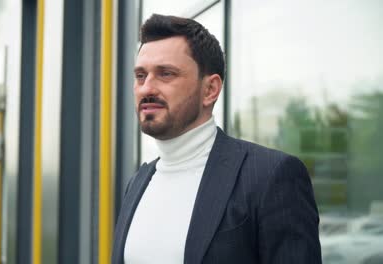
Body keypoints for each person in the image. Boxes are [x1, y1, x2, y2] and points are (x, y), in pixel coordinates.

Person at [112, 14, 322, 264]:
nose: (146, 88)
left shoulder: (270, 176)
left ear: (210, 89)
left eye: (166, 74)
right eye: (140, 76)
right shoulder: (138, 182)